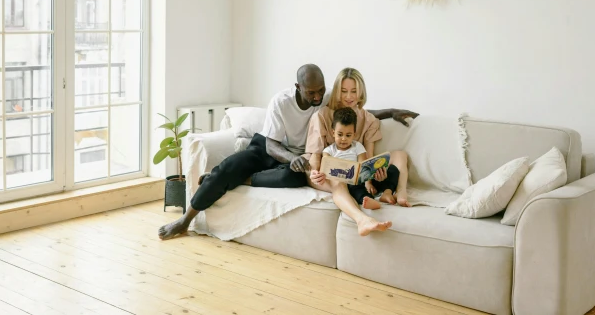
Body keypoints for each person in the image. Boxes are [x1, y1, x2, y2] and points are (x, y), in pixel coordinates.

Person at [158, 64, 416, 240]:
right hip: (267, 147)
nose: (317, 96)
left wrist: (391, 112)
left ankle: (235, 180)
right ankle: (186, 220)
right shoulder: (281, 102)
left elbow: (356, 110)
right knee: (230, 167)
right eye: (311, 91)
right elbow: (271, 145)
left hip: (296, 158)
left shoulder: (324, 99)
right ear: (298, 87)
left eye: (320, 90)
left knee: (292, 179)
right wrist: (294, 159)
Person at [305, 67, 413, 208]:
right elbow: (316, 155)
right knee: (339, 181)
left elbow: (368, 156)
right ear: (337, 91)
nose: (349, 97)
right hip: (328, 174)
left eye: (354, 91)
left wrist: (373, 174)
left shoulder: (369, 120)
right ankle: (361, 217)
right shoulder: (321, 116)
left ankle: (400, 191)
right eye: (344, 91)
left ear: (361, 92)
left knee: (400, 155)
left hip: (356, 174)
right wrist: (314, 172)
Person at [320, 107, 402, 211]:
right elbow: (326, 166)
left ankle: (387, 192)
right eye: (340, 134)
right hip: (346, 183)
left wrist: (369, 182)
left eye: (348, 135)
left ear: (354, 134)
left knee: (393, 170)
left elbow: (363, 165)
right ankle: (367, 199)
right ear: (333, 133)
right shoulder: (329, 150)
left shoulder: (357, 146)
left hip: (362, 179)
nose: (344, 138)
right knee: (356, 188)